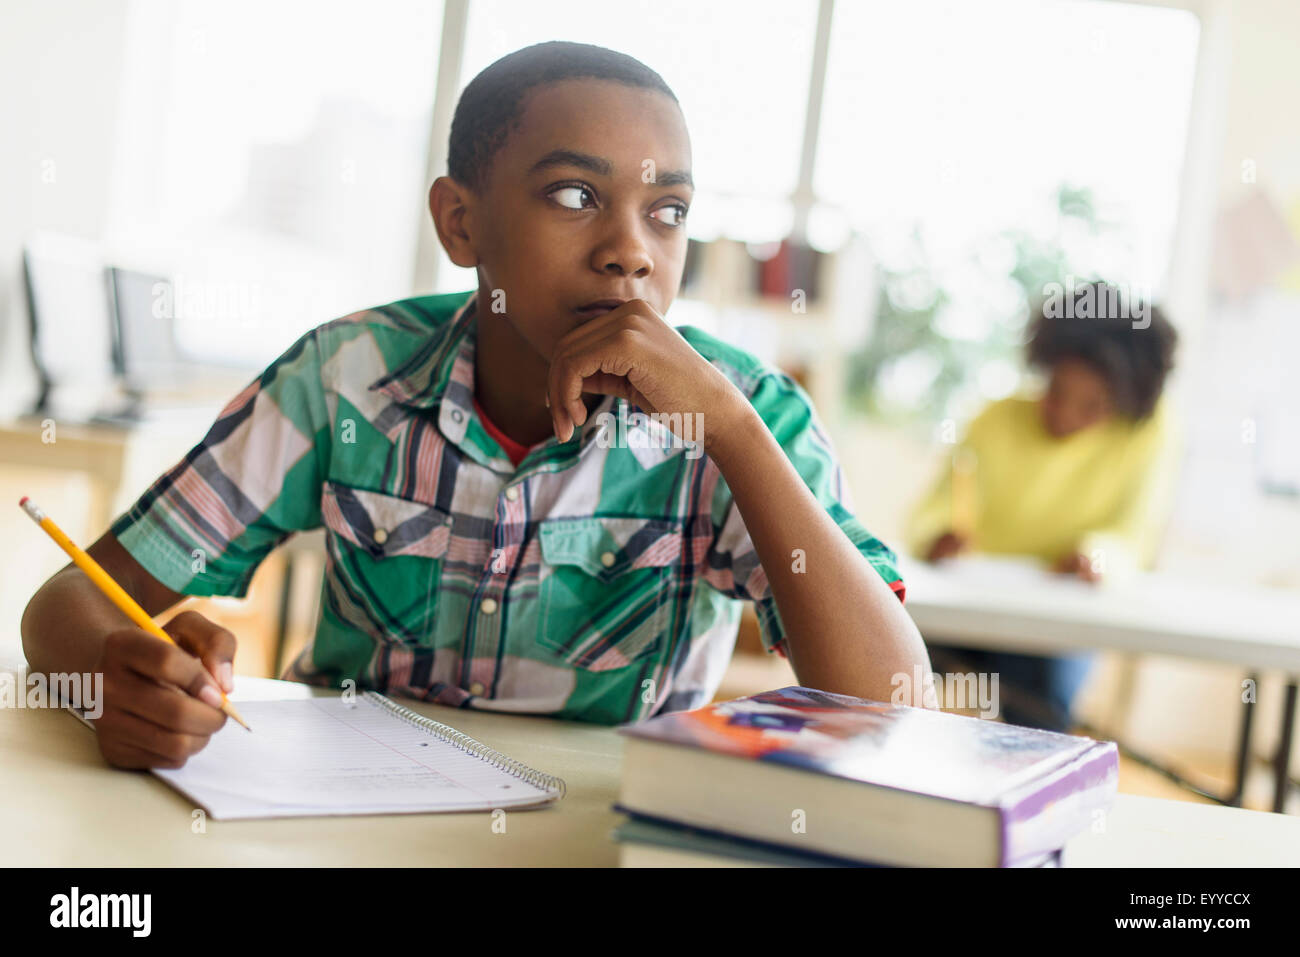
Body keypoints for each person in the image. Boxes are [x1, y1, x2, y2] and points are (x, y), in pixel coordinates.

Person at [21, 41, 934, 771]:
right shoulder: (345, 376)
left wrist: (731, 429)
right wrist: (112, 680)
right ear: (461, 223)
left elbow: (892, 702)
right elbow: (68, 599)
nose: (631, 251)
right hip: (333, 818)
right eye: (576, 196)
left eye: (667, 211)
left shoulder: (746, 414)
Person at [906, 281, 1179, 731]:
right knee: (886, 658)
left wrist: (1098, 558)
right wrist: (940, 535)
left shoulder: (1147, 433)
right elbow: (932, 509)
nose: (1065, 416)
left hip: (1055, 626)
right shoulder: (995, 418)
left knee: (1041, 711)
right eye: (1055, 392)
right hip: (968, 611)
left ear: (1126, 402)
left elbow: (1133, 535)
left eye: (1091, 406)